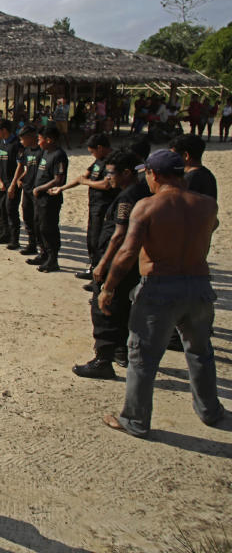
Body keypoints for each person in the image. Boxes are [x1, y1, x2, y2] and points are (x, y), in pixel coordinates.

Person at [100, 150, 225, 437]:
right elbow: (210, 229)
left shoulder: (147, 206)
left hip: (160, 287)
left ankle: (135, 419)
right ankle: (209, 410)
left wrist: (108, 287)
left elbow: (127, 253)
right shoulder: (208, 205)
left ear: (154, 175)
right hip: (199, 286)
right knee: (201, 351)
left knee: (142, 357)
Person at [72, 149, 148, 379]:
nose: (108, 178)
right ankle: (120, 351)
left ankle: (103, 359)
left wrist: (102, 264)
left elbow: (119, 235)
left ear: (127, 173)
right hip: (131, 263)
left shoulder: (127, 197)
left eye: (112, 173)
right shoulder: (140, 191)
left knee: (104, 308)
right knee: (123, 306)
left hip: (116, 262)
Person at [49, 134, 115, 280]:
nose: (92, 155)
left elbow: (106, 184)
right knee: (91, 237)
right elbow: (81, 177)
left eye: (92, 151)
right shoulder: (98, 161)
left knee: (100, 240)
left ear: (100, 148)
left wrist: (87, 182)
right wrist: (62, 188)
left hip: (105, 206)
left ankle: (100, 273)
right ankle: (93, 268)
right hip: (94, 205)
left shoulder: (112, 161)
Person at [27, 125, 67, 272]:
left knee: (48, 228)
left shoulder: (58, 155)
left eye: (40, 139)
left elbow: (59, 179)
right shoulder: (45, 153)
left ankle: (52, 259)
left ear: (49, 140)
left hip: (49, 199)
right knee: (38, 226)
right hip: (39, 198)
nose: (38, 143)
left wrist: (40, 188)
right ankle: (43, 253)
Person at [0, 119, 22, 249]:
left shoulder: (16, 145)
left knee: (11, 210)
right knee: (1, 208)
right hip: (1, 182)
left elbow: (20, 165)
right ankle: (5, 234)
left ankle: (15, 239)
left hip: (12, 183)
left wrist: (13, 184)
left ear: (4, 130)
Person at [15, 125, 41, 255]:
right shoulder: (27, 151)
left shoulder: (42, 151)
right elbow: (27, 169)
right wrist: (20, 178)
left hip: (38, 190)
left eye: (22, 139)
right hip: (27, 188)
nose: (21, 142)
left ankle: (42, 248)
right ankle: (32, 244)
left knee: (38, 219)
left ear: (30, 137)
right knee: (27, 217)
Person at [171, 134, 217, 200]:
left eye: (173, 155)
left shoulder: (189, 179)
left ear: (186, 156)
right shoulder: (207, 174)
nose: (171, 158)